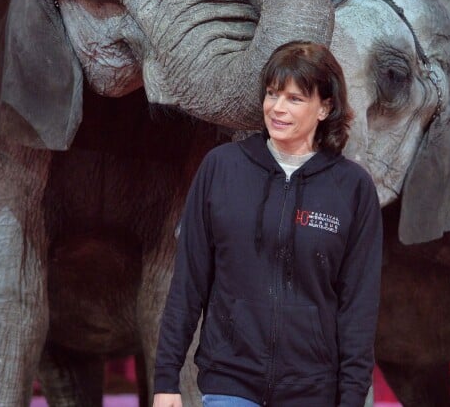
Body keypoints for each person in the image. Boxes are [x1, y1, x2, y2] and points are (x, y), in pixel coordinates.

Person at [152, 41, 383, 407]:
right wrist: (166, 380)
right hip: (230, 382)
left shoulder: (352, 188)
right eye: (272, 94)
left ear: (325, 107)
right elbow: (187, 282)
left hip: (312, 390)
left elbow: (358, 306)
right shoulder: (221, 168)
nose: (277, 108)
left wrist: (352, 397)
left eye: (294, 98)